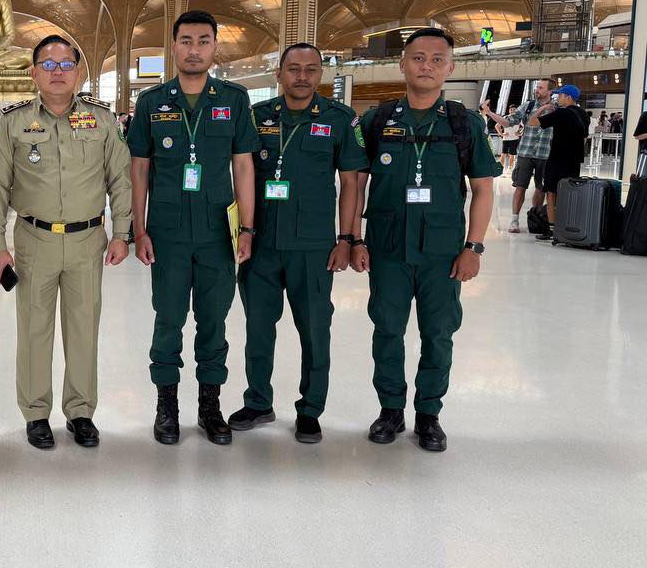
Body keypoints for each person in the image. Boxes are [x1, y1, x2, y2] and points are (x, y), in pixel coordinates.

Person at [349, 28, 500, 452]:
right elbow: (355, 183)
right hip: (388, 249)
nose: (427, 66)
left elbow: (483, 189)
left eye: (437, 59)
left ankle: (429, 415)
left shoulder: (464, 124)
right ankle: (390, 410)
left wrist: (473, 247)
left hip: (443, 253)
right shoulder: (377, 121)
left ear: (450, 68)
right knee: (387, 330)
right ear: (403, 64)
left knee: (438, 333)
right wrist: (354, 239)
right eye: (418, 58)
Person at [0, 35, 131, 449]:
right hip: (34, 239)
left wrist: (122, 233)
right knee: (34, 330)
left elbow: (120, 179)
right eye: (48, 65)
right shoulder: (14, 123)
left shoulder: (102, 120)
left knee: (83, 329)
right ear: (33, 73)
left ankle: (80, 412)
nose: (57, 72)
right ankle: (36, 413)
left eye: (66, 64)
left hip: (88, 240)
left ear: (79, 73)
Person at [128, 10, 258, 446]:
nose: (194, 49)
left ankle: (210, 406)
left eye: (204, 41)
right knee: (168, 319)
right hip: (167, 231)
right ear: (174, 47)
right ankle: (167, 407)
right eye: (186, 41)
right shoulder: (152, 102)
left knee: (214, 320)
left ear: (215, 47)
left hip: (217, 230)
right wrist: (139, 229)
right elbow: (139, 169)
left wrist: (247, 229)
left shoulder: (233, 99)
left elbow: (243, 165)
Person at [235, 43, 366, 444]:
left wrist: (347, 238)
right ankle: (258, 401)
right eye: (294, 69)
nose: (302, 76)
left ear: (321, 74)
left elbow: (351, 183)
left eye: (311, 69)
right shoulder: (256, 116)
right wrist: (242, 230)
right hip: (261, 242)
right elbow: (240, 170)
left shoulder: (339, 119)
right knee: (258, 328)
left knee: (315, 330)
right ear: (279, 74)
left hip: (313, 246)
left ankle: (310, 409)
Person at [480, 78, 553, 233]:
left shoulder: (556, 108)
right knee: (520, 186)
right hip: (525, 152)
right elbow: (508, 122)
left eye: (541, 87)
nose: (537, 90)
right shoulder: (528, 106)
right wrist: (489, 113)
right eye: (537, 87)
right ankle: (514, 220)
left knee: (541, 188)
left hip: (545, 153)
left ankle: (535, 219)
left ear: (550, 91)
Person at [531, 84, 589, 241]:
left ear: (568, 97)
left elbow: (533, 122)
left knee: (551, 193)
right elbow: (584, 137)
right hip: (574, 161)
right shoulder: (584, 115)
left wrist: (543, 108)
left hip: (557, 159)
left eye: (560, 95)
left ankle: (552, 230)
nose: (557, 98)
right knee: (569, 192)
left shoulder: (562, 113)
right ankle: (567, 228)